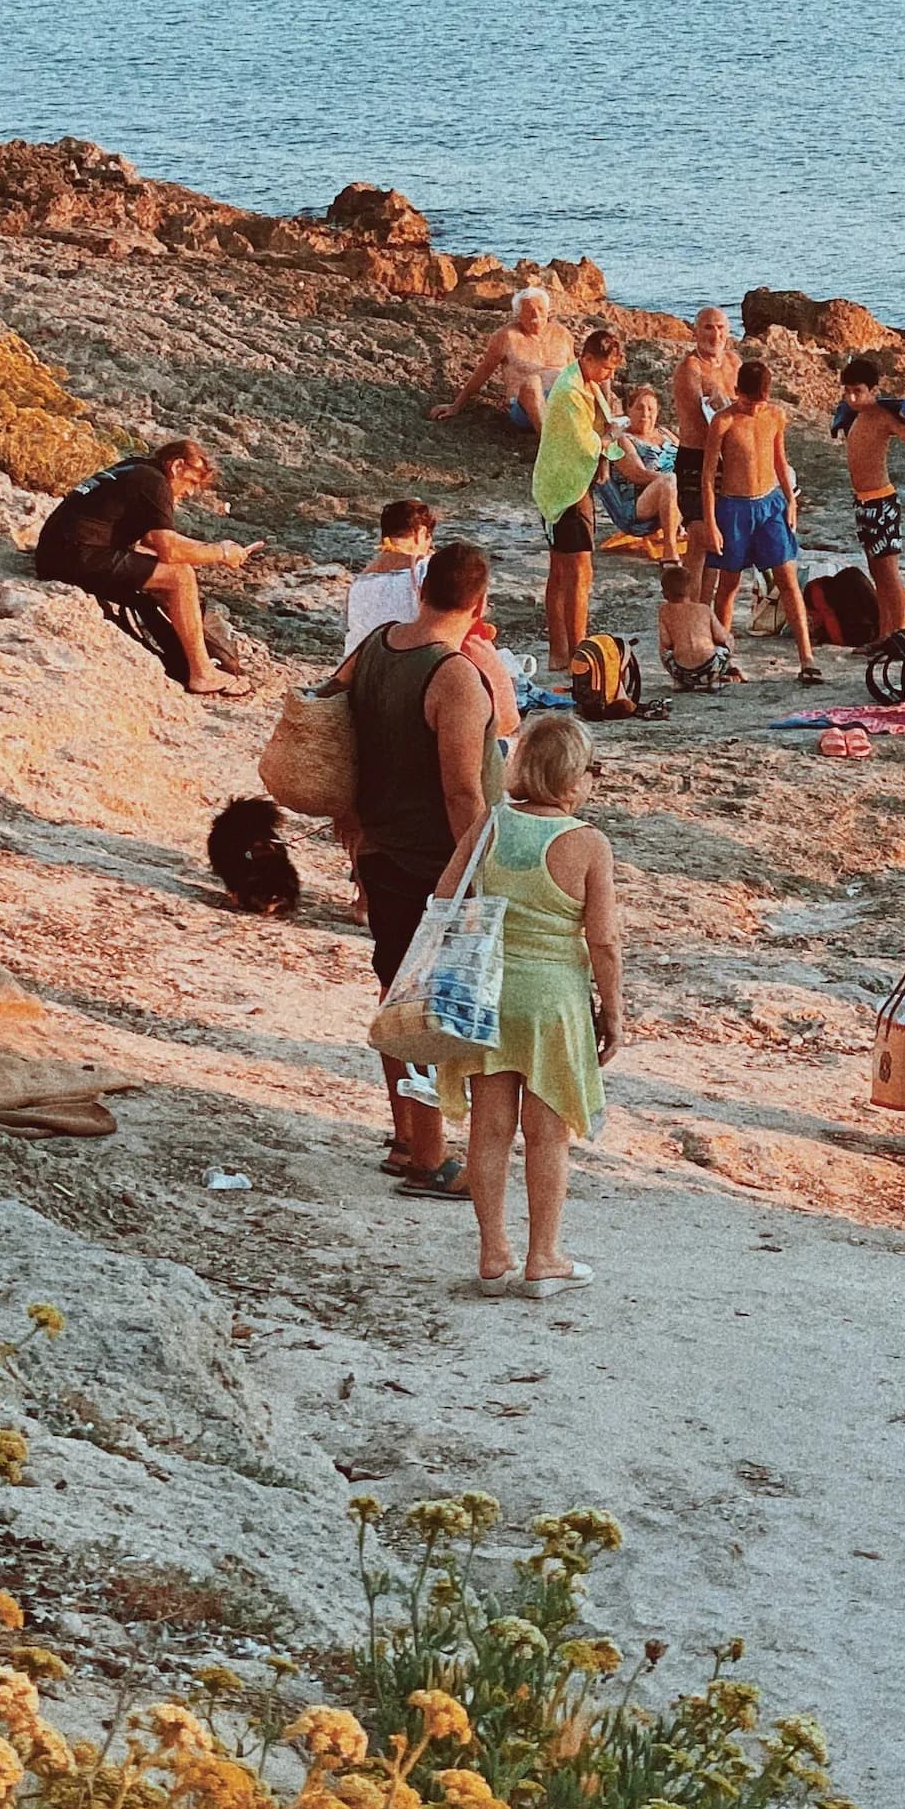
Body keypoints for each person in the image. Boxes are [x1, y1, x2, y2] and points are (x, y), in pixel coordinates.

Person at [333, 540, 518, 1192]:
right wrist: (484, 874)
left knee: (395, 994)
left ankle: (407, 1136)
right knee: (436, 1008)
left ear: (421, 589)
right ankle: (431, 1155)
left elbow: (331, 707)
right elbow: (462, 790)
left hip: (381, 852)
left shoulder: (379, 645)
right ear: (479, 601)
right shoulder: (454, 677)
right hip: (438, 863)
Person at [453, 711, 622, 1298]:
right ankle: (543, 1256)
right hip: (553, 1002)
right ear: (573, 779)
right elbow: (603, 941)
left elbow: (446, 895)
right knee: (547, 1134)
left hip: (489, 992)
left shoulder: (490, 826)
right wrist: (614, 1013)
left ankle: (492, 1252)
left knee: (490, 1126)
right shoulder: (588, 844)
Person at [32, 439, 259, 697]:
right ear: (177, 466)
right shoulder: (154, 482)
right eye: (192, 481)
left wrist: (215, 547)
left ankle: (190, 656)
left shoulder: (136, 468)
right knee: (180, 577)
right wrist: (222, 553)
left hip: (59, 553)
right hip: (76, 557)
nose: (191, 492)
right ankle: (202, 673)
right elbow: (170, 550)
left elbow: (152, 539)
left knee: (169, 568)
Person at [701, 357, 819, 675]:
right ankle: (723, 656)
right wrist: (711, 523)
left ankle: (806, 658)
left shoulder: (776, 416)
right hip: (734, 508)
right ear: (736, 391)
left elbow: (780, 461)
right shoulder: (723, 422)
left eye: (759, 401)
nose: (753, 408)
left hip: (770, 505)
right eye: (747, 400)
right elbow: (708, 477)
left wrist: (790, 502)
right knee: (729, 584)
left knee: (787, 580)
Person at [533, 326, 627, 672]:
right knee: (576, 571)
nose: (608, 376)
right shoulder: (570, 390)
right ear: (587, 358)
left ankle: (561, 651)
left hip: (574, 484)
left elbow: (600, 432)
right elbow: (587, 442)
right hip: (564, 487)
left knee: (564, 569)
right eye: (605, 368)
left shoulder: (587, 384)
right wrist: (610, 438)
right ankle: (575, 651)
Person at [836, 353, 905, 638]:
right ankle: (885, 634)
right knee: (876, 571)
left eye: (858, 392)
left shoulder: (882, 417)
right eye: (847, 392)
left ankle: (903, 628)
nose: (852, 398)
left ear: (873, 391)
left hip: (882, 501)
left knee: (889, 572)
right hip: (863, 501)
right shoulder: (856, 416)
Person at [430, 287, 574, 434]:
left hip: (562, 400)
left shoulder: (562, 334)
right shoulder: (506, 336)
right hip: (525, 408)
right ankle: (548, 445)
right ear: (518, 314)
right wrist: (456, 405)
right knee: (532, 383)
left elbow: (576, 372)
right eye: (529, 310)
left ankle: (596, 446)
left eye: (540, 309)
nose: (535, 315)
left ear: (548, 310)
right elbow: (484, 370)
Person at [670, 307, 742, 569]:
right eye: (709, 327)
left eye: (721, 328)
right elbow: (700, 422)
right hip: (696, 458)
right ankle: (690, 604)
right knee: (700, 538)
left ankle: (705, 607)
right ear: (696, 331)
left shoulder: (733, 362)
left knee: (718, 543)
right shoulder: (691, 368)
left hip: (728, 457)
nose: (716, 334)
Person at [594, 389, 685, 555]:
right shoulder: (623, 439)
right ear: (629, 410)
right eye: (639, 408)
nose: (645, 414)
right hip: (640, 504)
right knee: (669, 481)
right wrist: (681, 482)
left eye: (651, 409)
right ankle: (670, 550)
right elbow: (637, 474)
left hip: (678, 492)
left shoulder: (666, 434)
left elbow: (688, 459)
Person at [344, 498, 436, 657]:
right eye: (429, 538)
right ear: (420, 533)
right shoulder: (425, 569)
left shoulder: (359, 582)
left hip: (359, 669)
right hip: (405, 665)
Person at [657, 562, 742, 691]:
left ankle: (679, 683)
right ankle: (713, 680)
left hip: (681, 671)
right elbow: (721, 637)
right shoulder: (704, 609)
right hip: (710, 668)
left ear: (664, 592)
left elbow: (666, 642)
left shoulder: (664, 611)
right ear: (691, 589)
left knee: (663, 649)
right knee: (728, 638)